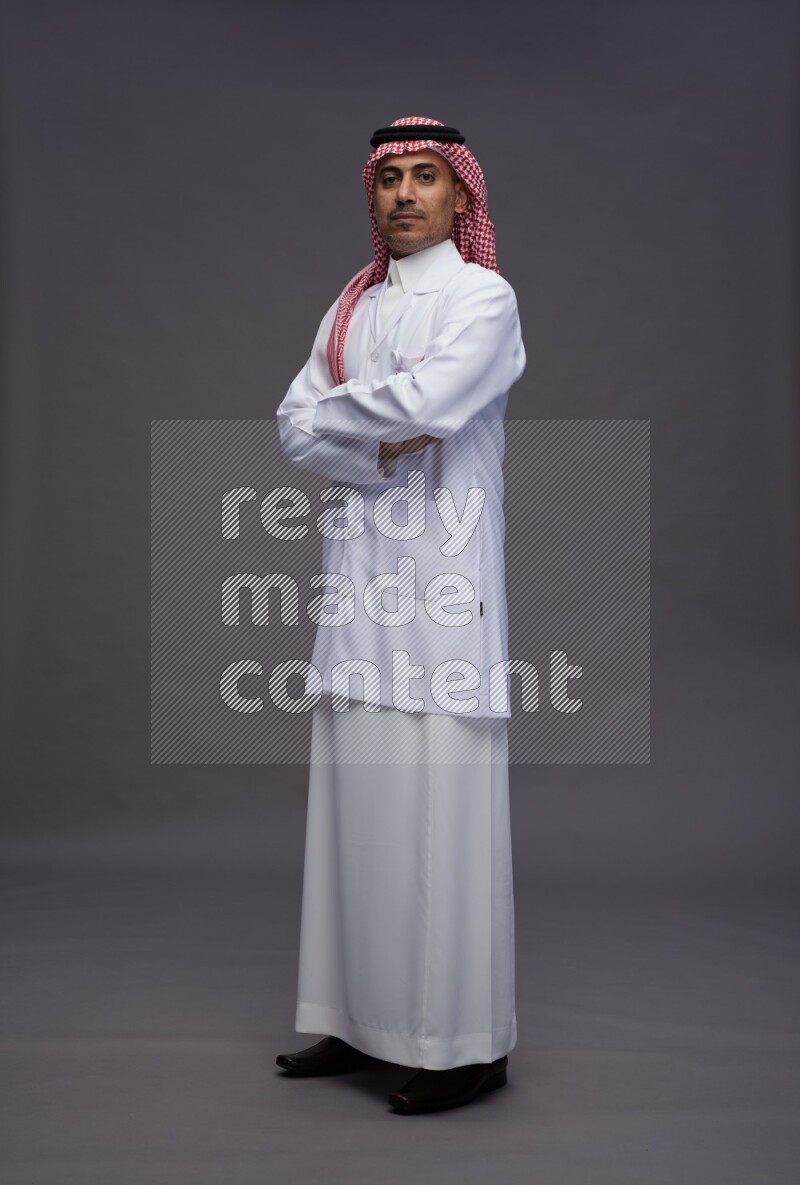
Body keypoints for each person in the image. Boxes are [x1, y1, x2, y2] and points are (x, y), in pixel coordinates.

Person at [274, 116, 526, 1114]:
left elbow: (431, 403)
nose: (407, 194)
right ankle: (353, 1016)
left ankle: (463, 1046)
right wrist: (372, 435)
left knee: (439, 818)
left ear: (461, 197)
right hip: (358, 590)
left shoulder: (483, 298)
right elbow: (294, 430)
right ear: (372, 196)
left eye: (427, 177)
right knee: (352, 811)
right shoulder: (351, 306)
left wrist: (360, 424)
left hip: (443, 596)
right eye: (390, 180)